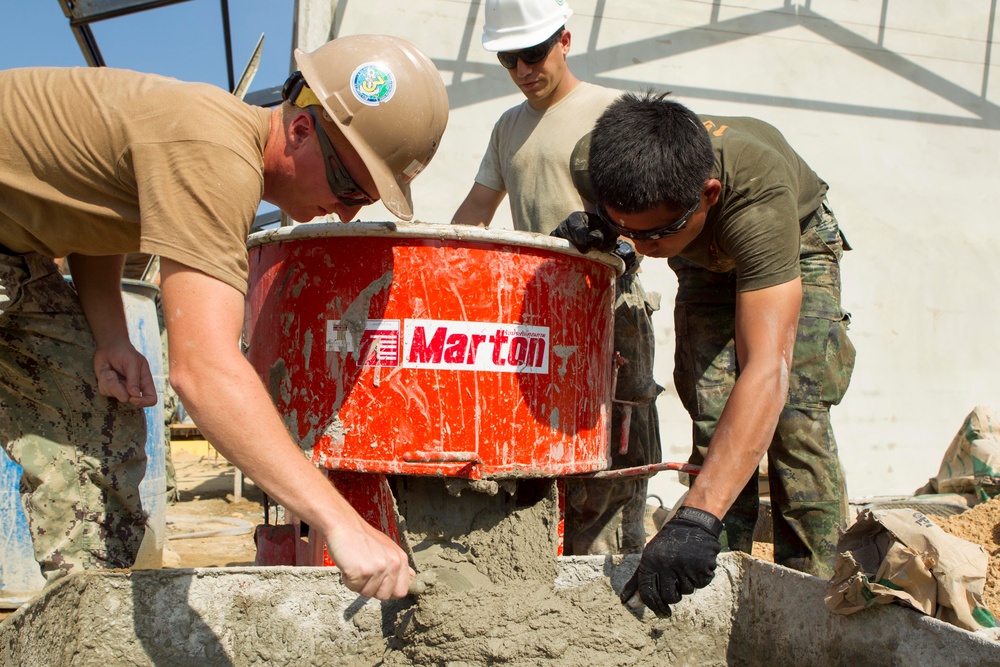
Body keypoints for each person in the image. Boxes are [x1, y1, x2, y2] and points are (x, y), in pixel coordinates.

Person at [0, 34, 448, 600]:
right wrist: (342, 522)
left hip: (18, 251)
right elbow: (203, 371)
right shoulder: (215, 154)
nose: (344, 212)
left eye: (364, 201)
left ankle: (89, 617)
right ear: (300, 129)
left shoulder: (201, 138)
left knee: (93, 426)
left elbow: (99, 212)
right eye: (347, 188)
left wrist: (110, 335)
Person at [555, 91, 855, 616]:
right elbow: (632, 228)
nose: (639, 247)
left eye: (655, 232)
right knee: (713, 414)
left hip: (794, 244)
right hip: (698, 258)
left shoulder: (758, 201)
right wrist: (606, 232)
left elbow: (767, 368)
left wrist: (693, 518)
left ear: (708, 193)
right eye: (629, 231)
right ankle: (715, 591)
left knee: (796, 423)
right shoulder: (592, 161)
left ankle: (815, 598)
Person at [451, 0, 662, 555]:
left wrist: (616, 243)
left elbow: (648, 211)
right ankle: (546, 565)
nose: (523, 70)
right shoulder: (508, 127)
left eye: (533, 53)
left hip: (610, 302)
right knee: (542, 440)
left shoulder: (611, 113)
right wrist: (443, 265)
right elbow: (477, 209)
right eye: (509, 60)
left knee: (616, 444)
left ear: (564, 40)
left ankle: (614, 567)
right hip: (541, 312)